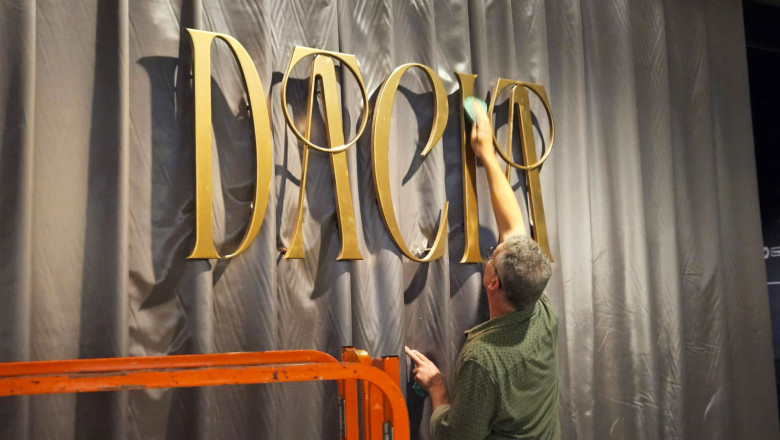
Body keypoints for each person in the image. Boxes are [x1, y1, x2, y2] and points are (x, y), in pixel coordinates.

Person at [405, 106, 559, 439]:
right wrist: (487, 155)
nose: (494, 249)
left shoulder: (483, 359)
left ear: (492, 282)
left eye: (493, 255)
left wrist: (438, 389)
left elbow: (460, 436)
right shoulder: (540, 310)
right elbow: (514, 226)